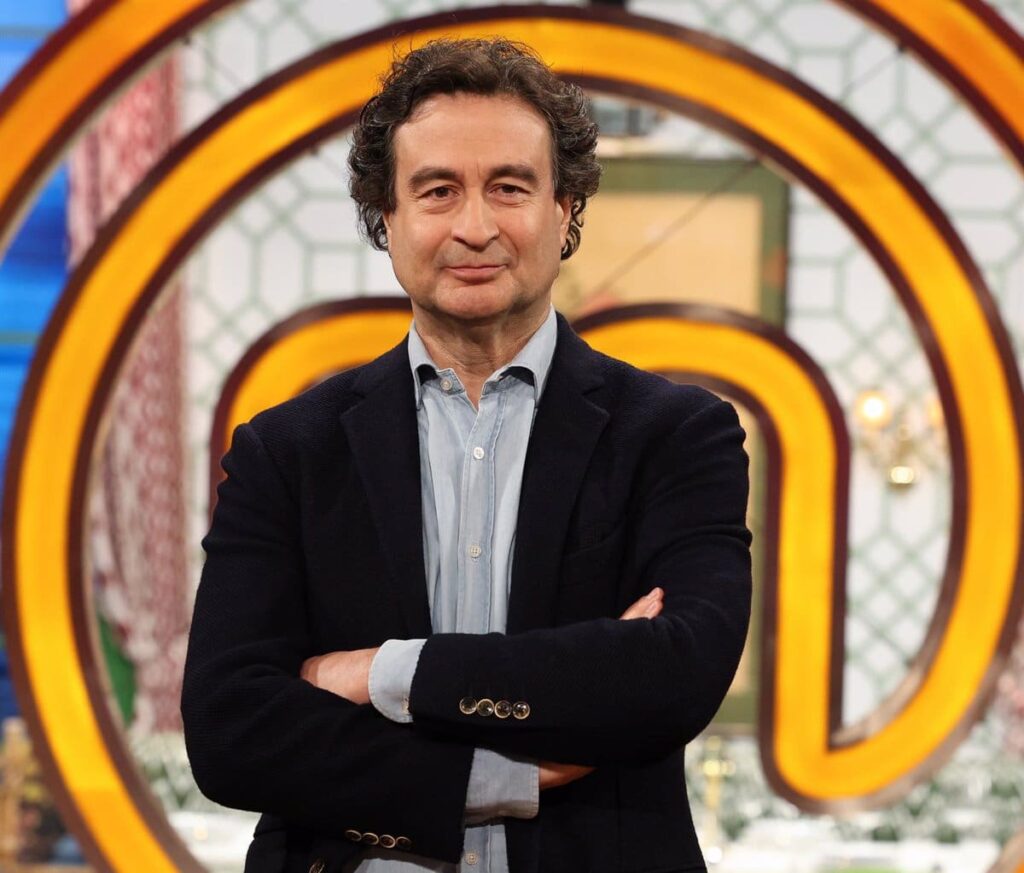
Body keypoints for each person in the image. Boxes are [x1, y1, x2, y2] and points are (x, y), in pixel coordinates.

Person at [181, 37, 751, 873]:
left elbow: (674, 674)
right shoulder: (285, 451)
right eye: (437, 190)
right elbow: (229, 729)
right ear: (387, 217)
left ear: (565, 210)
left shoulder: (678, 435)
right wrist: (499, 776)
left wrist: (382, 672)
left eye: (509, 188)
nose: (475, 227)